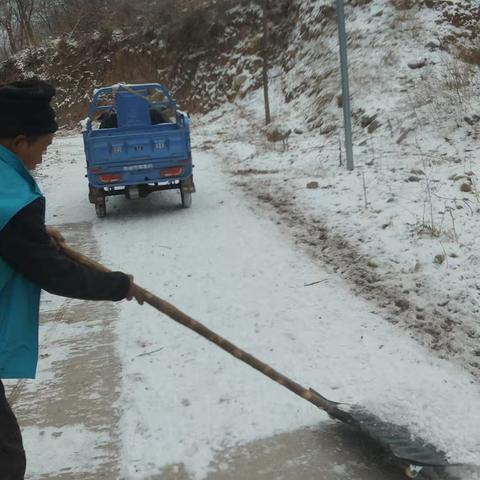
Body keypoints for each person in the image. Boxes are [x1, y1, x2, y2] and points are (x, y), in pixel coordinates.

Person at [0, 79, 146, 479]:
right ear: (17, 141)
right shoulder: (9, 193)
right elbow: (52, 272)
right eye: (43, 148)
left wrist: (29, 237)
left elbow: (12, 237)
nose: (43, 159)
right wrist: (117, 286)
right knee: (6, 458)